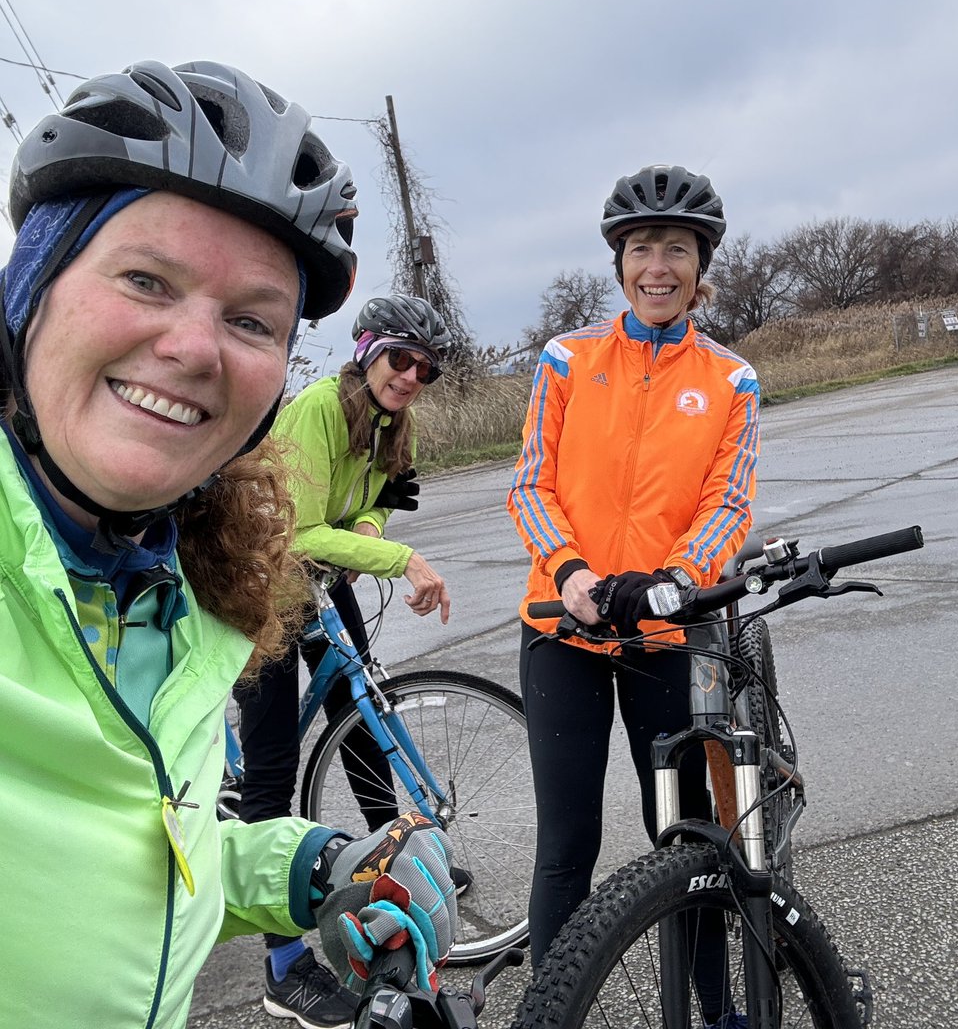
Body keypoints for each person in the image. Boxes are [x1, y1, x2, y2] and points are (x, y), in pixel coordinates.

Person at [0, 60, 456, 1029]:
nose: (198, 348)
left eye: (251, 319)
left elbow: (148, 848)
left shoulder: (179, 588)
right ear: (29, 293)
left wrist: (317, 865)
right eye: (145, 278)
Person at [507, 164, 761, 985]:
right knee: (567, 846)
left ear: (700, 266)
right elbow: (530, 483)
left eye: (677, 249)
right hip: (563, 629)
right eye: (642, 247)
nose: (658, 265)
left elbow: (729, 503)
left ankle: (716, 1010)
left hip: (664, 631)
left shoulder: (730, 379)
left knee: (688, 843)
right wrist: (572, 572)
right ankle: (552, 1008)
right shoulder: (566, 360)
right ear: (619, 262)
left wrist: (676, 580)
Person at [235, 292, 465, 1018]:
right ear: (368, 351)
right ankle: (282, 966)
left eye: (426, 369)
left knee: (361, 720)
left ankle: (394, 868)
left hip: (321, 581)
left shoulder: (395, 426)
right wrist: (398, 559)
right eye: (402, 359)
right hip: (265, 580)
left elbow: (370, 505)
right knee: (273, 768)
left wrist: (369, 534)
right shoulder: (319, 410)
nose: (411, 377)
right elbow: (298, 529)